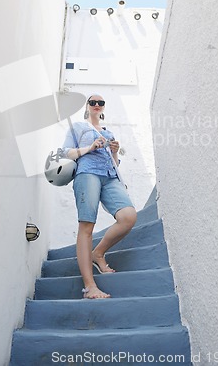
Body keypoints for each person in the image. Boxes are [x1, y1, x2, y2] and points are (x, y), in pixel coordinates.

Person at [62, 94, 137, 299]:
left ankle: (98, 253)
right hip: (87, 174)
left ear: (103, 108)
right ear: (87, 106)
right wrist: (91, 147)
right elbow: (66, 152)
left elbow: (115, 164)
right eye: (92, 102)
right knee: (87, 227)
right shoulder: (78, 127)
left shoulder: (109, 132)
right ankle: (90, 287)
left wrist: (114, 152)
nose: (96, 105)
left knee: (129, 217)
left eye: (100, 102)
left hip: (110, 177)